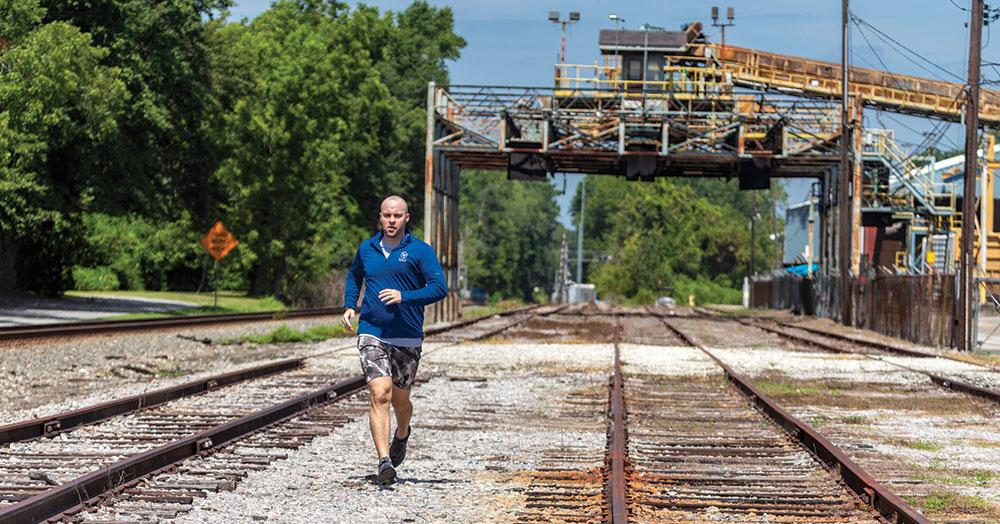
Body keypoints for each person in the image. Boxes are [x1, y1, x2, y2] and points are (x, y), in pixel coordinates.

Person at [341, 195, 447, 485]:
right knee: (380, 394)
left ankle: (402, 433)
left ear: (406, 218)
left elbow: (439, 288)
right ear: (380, 216)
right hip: (372, 331)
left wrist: (405, 296)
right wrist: (351, 304)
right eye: (386, 215)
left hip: (407, 335)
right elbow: (354, 276)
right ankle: (384, 461)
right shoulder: (367, 248)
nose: (391, 220)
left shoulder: (420, 251)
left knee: (401, 401)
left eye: (397, 216)